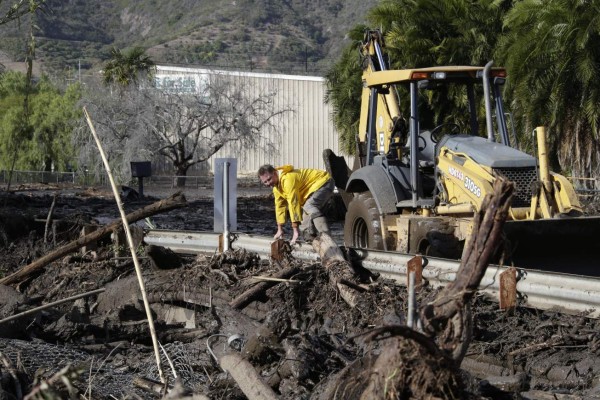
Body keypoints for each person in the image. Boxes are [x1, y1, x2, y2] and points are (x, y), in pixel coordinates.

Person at [258, 164, 335, 245]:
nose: (268, 183)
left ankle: (327, 238)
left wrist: (295, 230)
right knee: (304, 226)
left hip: (325, 182)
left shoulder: (287, 180)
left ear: (274, 173)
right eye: (265, 182)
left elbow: (294, 203)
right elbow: (279, 206)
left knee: (309, 206)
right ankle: (313, 244)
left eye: (269, 179)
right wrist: (279, 229)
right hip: (313, 189)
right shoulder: (276, 187)